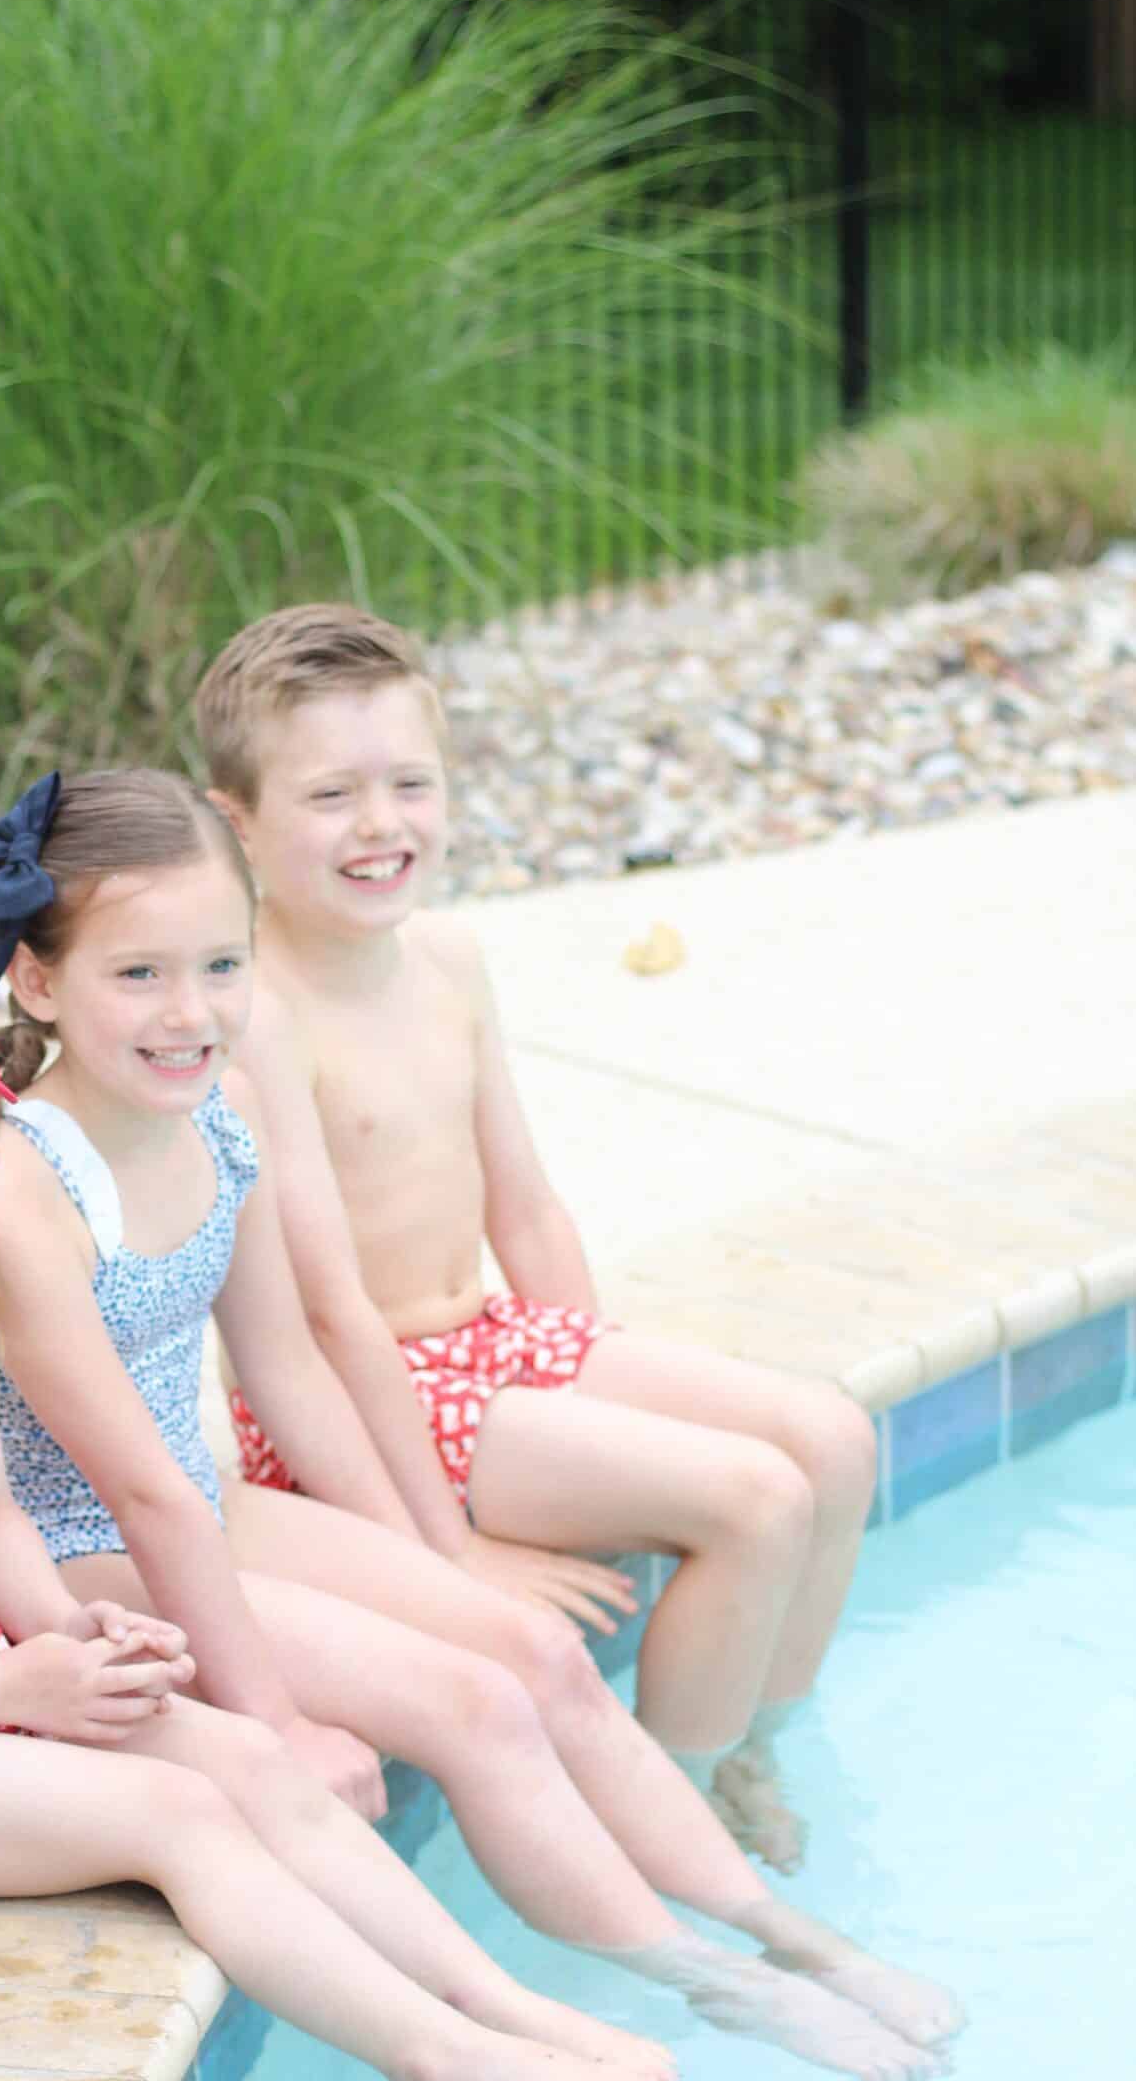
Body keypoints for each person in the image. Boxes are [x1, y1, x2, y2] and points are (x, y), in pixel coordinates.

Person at [0, 771, 957, 2081]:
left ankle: (793, 1938)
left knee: (528, 1651)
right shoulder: (24, 1185)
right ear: (36, 980)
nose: (191, 1013)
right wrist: (272, 1723)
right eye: (137, 975)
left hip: (207, 1507)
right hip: (78, 1548)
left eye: (218, 963)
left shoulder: (222, 1113)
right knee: (475, 1707)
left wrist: (432, 1568)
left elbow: (285, 1371)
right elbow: (137, 1497)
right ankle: (708, 1984)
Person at [0, 955, 669, 2081]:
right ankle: (436, 2064)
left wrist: (64, 1629)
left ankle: (497, 2001)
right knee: (177, 1817)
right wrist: (13, 1683)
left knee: (245, 1755)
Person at [196, 603, 882, 1877]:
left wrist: (593, 1363)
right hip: (377, 1397)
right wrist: (443, 1551)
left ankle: (745, 1752)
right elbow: (327, 1316)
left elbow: (526, 1207)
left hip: (497, 1351)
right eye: (331, 795)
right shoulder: (257, 1018)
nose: (380, 824)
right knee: (753, 1498)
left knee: (835, 1443)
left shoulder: (449, 961)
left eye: (410, 783)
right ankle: (662, 1824)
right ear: (237, 820)